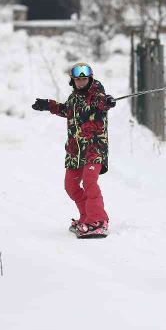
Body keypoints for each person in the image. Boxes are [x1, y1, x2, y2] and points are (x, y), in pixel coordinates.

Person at [31, 62, 117, 238]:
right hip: (75, 152)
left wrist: (108, 101)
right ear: (73, 81)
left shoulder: (96, 95)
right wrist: (49, 105)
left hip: (94, 148)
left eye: (84, 79)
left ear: (90, 79)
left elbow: (102, 102)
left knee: (89, 182)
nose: (80, 82)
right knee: (70, 186)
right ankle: (86, 217)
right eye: (77, 80)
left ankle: (98, 221)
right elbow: (66, 110)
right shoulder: (74, 99)